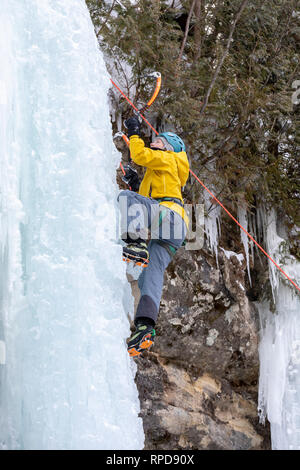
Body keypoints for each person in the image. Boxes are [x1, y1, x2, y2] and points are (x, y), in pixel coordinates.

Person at [118, 115, 190, 357]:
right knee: (151, 273)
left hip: (168, 215)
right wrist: (136, 182)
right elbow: (149, 193)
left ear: (169, 147)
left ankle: (135, 244)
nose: (155, 142)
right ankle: (145, 326)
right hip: (173, 230)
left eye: (159, 141)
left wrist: (135, 132)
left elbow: (139, 155)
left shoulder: (169, 158)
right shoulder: (164, 169)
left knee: (126, 199)